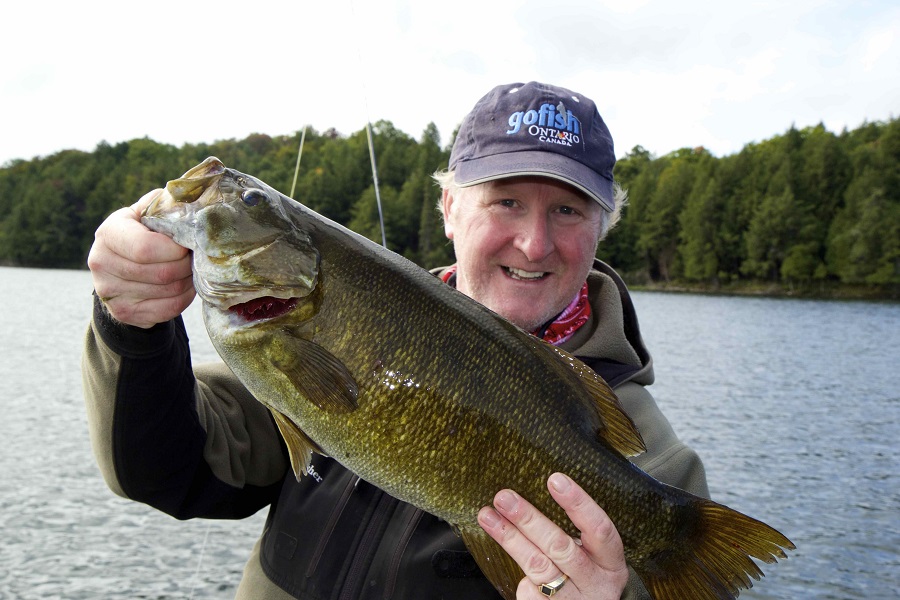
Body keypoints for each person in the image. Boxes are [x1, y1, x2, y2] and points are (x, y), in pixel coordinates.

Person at [82, 81, 709, 600]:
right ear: (449, 208)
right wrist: (134, 329)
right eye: (506, 201)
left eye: (568, 211)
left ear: (605, 226)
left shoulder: (656, 466)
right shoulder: (319, 330)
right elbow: (165, 472)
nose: (535, 243)